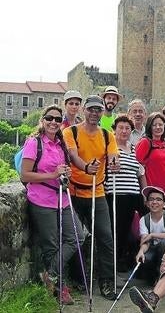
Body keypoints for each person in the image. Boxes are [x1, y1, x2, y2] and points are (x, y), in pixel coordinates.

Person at [22, 105, 82, 304]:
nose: (54, 122)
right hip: (41, 200)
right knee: (52, 247)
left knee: (77, 238)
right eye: (50, 118)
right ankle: (60, 288)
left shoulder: (61, 144)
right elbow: (25, 175)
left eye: (57, 119)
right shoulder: (34, 143)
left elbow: (62, 171)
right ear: (43, 120)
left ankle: (50, 275)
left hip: (62, 199)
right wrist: (53, 174)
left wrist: (67, 174)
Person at [62, 95, 120, 300]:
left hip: (98, 191)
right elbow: (72, 155)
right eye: (91, 109)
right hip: (75, 192)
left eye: (98, 110)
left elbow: (112, 155)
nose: (94, 113)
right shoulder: (70, 132)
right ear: (84, 110)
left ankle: (106, 282)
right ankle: (80, 279)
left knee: (105, 238)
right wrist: (86, 167)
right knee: (76, 237)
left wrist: (113, 163)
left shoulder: (107, 134)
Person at [105, 115, 147, 272]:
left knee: (131, 231)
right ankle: (112, 265)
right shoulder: (109, 148)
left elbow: (140, 173)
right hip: (116, 195)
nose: (124, 131)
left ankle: (125, 261)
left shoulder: (134, 149)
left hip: (133, 195)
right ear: (114, 130)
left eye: (127, 128)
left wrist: (144, 193)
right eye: (120, 128)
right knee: (116, 230)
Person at [136, 186, 165, 284]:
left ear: (164, 204)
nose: (154, 202)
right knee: (145, 258)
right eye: (151, 199)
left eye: (158, 199)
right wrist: (141, 251)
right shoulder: (144, 220)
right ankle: (152, 278)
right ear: (147, 203)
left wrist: (152, 235)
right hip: (152, 248)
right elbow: (145, 241)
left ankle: (163, 276)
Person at [135, 112, 165, 211]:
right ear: (150, 126)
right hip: (152, 194)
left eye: (160, 124)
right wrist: (144, 193)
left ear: (164, 126)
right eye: (154, 125)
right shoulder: (145, 142)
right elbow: (138, 168)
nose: (158, 127)